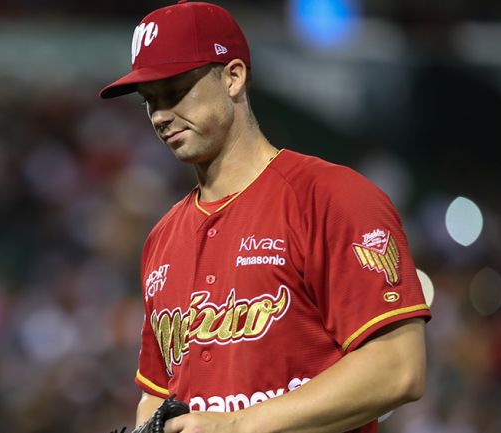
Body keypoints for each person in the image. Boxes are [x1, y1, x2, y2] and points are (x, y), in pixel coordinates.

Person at [99, 1, 431, 433]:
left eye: (176, 91)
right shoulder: (162, 238)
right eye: (150, 101)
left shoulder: (331, 198)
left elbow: (398, 368)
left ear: (233, 77)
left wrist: (232, 426)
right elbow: (159, 394)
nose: (160, 115)